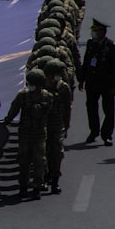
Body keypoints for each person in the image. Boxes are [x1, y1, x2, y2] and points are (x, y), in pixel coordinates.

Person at [2, 69, 54, 199]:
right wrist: (7, 120)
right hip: (25, 133)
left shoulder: (47, 97)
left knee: (39, 161)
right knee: (23, 161)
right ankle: (23, 187)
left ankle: (37, 187)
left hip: (39, 133)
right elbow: (14, 109)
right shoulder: (22, 95)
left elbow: (48, 114)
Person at [78, 19, 115, 145]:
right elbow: (86, 62)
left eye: (96, 31)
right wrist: (82, 79)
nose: (93, 33)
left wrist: (114, 86)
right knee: (91, 108)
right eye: (93, 30)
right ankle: (94, 131)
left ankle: (107, 134)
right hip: (92, 82)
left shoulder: (112, 46)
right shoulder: (91, 44)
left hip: (106, 84)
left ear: (102, 32)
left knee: (108, 110)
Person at [43, 59, 72, 195]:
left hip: (57, 125)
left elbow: (67, 107)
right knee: (42, 153)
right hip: (42, 125)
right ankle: (43, 177)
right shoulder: (41, 86)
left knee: (57, 154)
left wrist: (66, 124)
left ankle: (55, 181)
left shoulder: (63, 87)